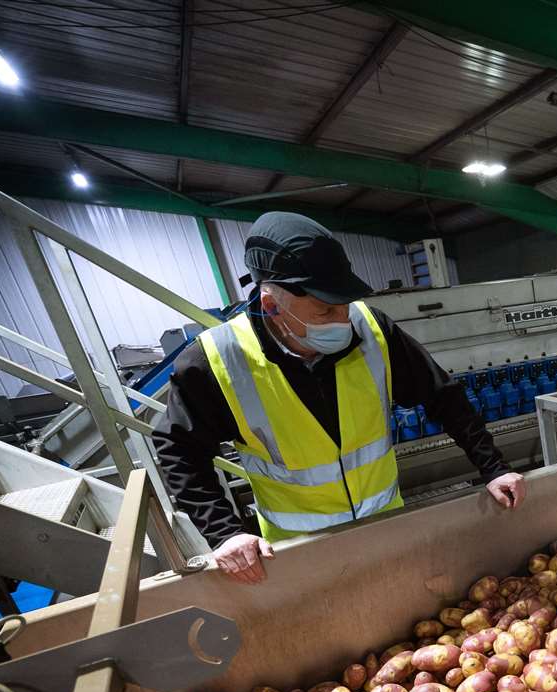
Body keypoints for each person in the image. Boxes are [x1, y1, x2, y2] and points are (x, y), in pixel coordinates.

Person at [153, 211, 524, 584]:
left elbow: (443, 396)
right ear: (271, 305)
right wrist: (225, 533)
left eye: (344, 304)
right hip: (298, 553)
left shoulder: (371, 329)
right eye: (325, 309)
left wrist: (493, 467)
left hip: (387, 528)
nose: (342, 320)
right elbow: (178, 449)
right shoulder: (218, 361)